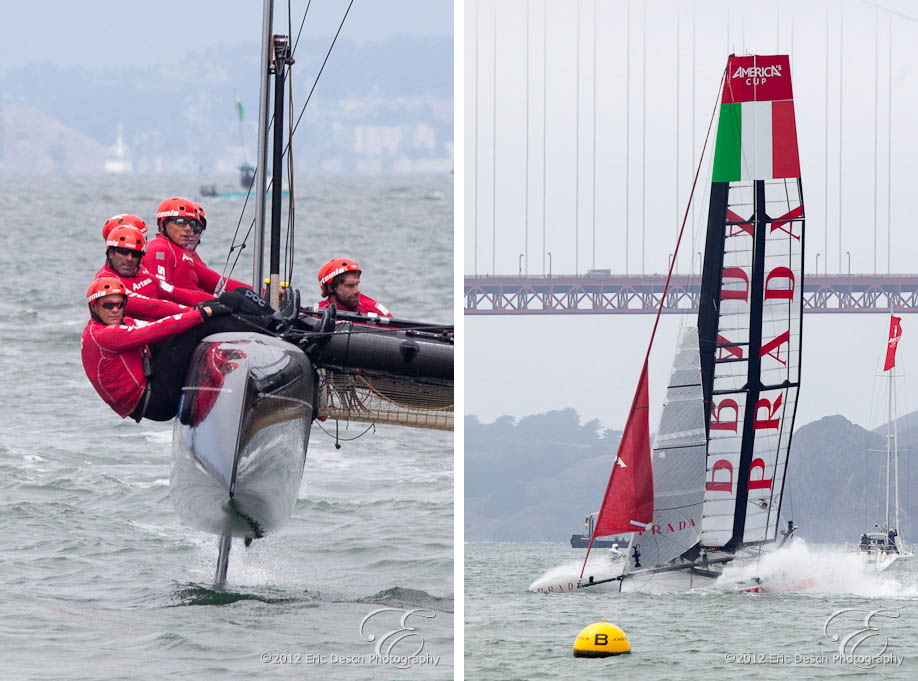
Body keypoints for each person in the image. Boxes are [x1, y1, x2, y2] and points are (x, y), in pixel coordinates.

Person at [80, 277, 277, 422]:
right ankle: (273, 329)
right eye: (108, 306)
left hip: (153, 382)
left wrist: (203, 309)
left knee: (222, 303)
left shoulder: (110, 326)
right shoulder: (103, 335)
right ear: (94, 308)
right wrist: (202, 314)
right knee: (202, 325)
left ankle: (270, 317)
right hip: (155, 401)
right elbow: (155, 330)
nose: (115, 310)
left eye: (120, 304)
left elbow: (160, 323)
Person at [96, 218, 212, 319]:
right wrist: (197, 312)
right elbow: (152, 307)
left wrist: (216, 301)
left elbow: (173, 292)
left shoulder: (139, 271)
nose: (130, 258)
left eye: (135, 253)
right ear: (111, 252)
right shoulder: (106, 281)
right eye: (124, 252)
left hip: (168, 323)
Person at [143, 197, 248, 297]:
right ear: (162, 225)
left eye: (194, 225)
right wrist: (210, 304)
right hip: (188, 311)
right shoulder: (159, 249)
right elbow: (160, 294)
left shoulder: (182, 253)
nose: (189, 230)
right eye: (180, 222)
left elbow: (216, 282)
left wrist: (258, 294)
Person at [182, 200, 250, 294]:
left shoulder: (194, 257)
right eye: (184, 227)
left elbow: (214, 281)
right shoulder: (182, 257)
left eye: (197, 229)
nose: (191, 233)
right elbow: (217, 282)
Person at [316, 258, 392, 317]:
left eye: (357, 285)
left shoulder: (374, 310)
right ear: (330, 288)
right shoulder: (317, 313)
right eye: (350, 286)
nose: (357, 291)